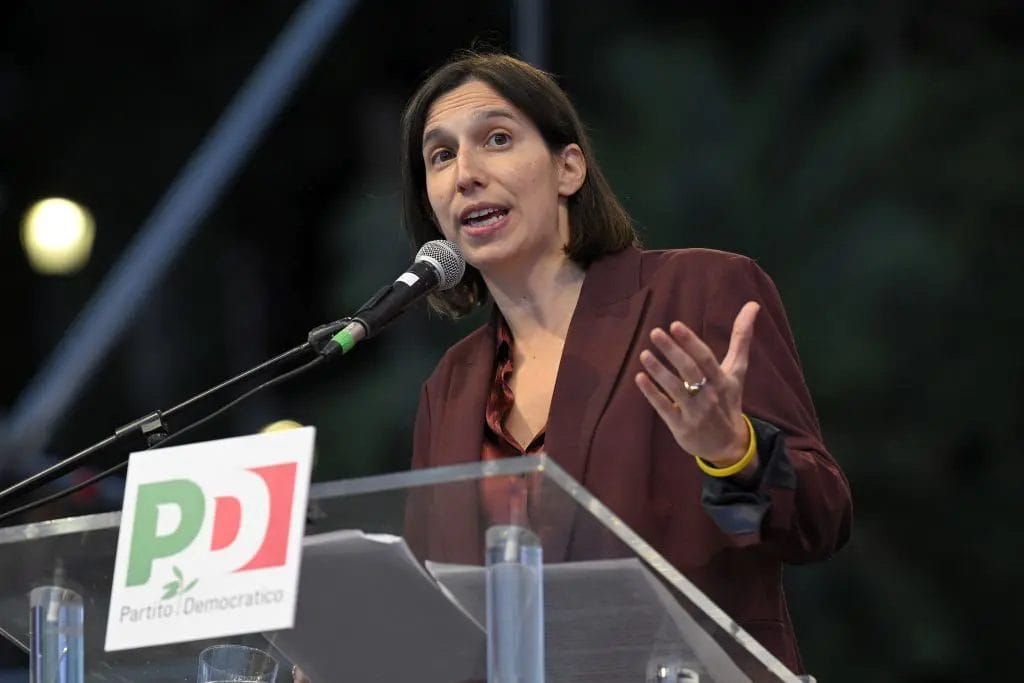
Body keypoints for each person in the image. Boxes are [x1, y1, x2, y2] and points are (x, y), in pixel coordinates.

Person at [400, 51, 852, 675]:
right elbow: (435, 610)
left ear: (568, 168)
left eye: (496, 139)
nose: (466, 175)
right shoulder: (449, 386)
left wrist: (735, 452)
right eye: (441, 156)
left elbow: (821, 521)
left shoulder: (699, 293)